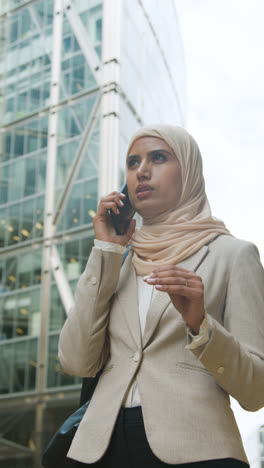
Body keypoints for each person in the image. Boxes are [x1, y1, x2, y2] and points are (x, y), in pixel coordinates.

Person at [58, 125, 264, 468]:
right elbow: (76, 361)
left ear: (190, 171)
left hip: (197, 449)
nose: (142, 171)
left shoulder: (233, 255)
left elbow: (256, 391)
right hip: (99, 451)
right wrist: (105, 250)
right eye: (133, 162)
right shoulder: (115, 260)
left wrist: (201, 325)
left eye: (159, 157)